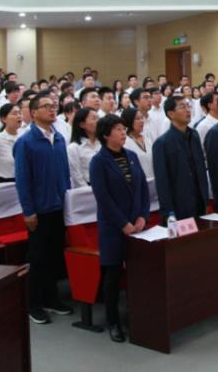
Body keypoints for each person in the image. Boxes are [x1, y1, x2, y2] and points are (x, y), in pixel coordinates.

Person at [89, 115, 150, 343]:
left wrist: (143, 216)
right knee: (112, 275)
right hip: (113, 227)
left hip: (137, 225)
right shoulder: (99, 161)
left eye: (124, 129)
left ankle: (139, 314)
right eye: (117, 129)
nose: (123, 133)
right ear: (106, 135)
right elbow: (103, 197)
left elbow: (143, 189)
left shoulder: (132, 156)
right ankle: (113, 321)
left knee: (140, 271)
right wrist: (123, 223)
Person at [13, 95, 72, 324]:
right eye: (46, 106)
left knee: (54, 256)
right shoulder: (26, 142)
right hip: (39, 209)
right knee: (37, 258)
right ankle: (33, 304)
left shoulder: (59, 138)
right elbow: (23, 180)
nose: (52, 109)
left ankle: (51, 299)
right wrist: (28, 211)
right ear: (34, 112)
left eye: (53, 106)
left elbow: (64, 173)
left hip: (59, 206)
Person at [151, 97, 208, 222]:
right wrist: (168, 212)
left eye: (188, 106)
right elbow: (162, 182)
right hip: (179, 206)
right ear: (171, 114)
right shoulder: (162, 143)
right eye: (182, 107)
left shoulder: (194, 135)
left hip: (200, 201)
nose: (188, 110)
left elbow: (201, 168)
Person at [68, 107, 100, 187]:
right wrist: (91, 191)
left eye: (98, 118)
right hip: (88, 189)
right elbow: (77, 176)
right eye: (94, 119)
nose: (99, 121)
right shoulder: (74, 148)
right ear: (82, 124)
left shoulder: (102, 143)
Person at [121, 108, 153, 180]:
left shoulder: (146, 138)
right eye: (137, 118)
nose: (141, 121)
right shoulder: (125, 142)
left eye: (142, 118)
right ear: (129, 120)